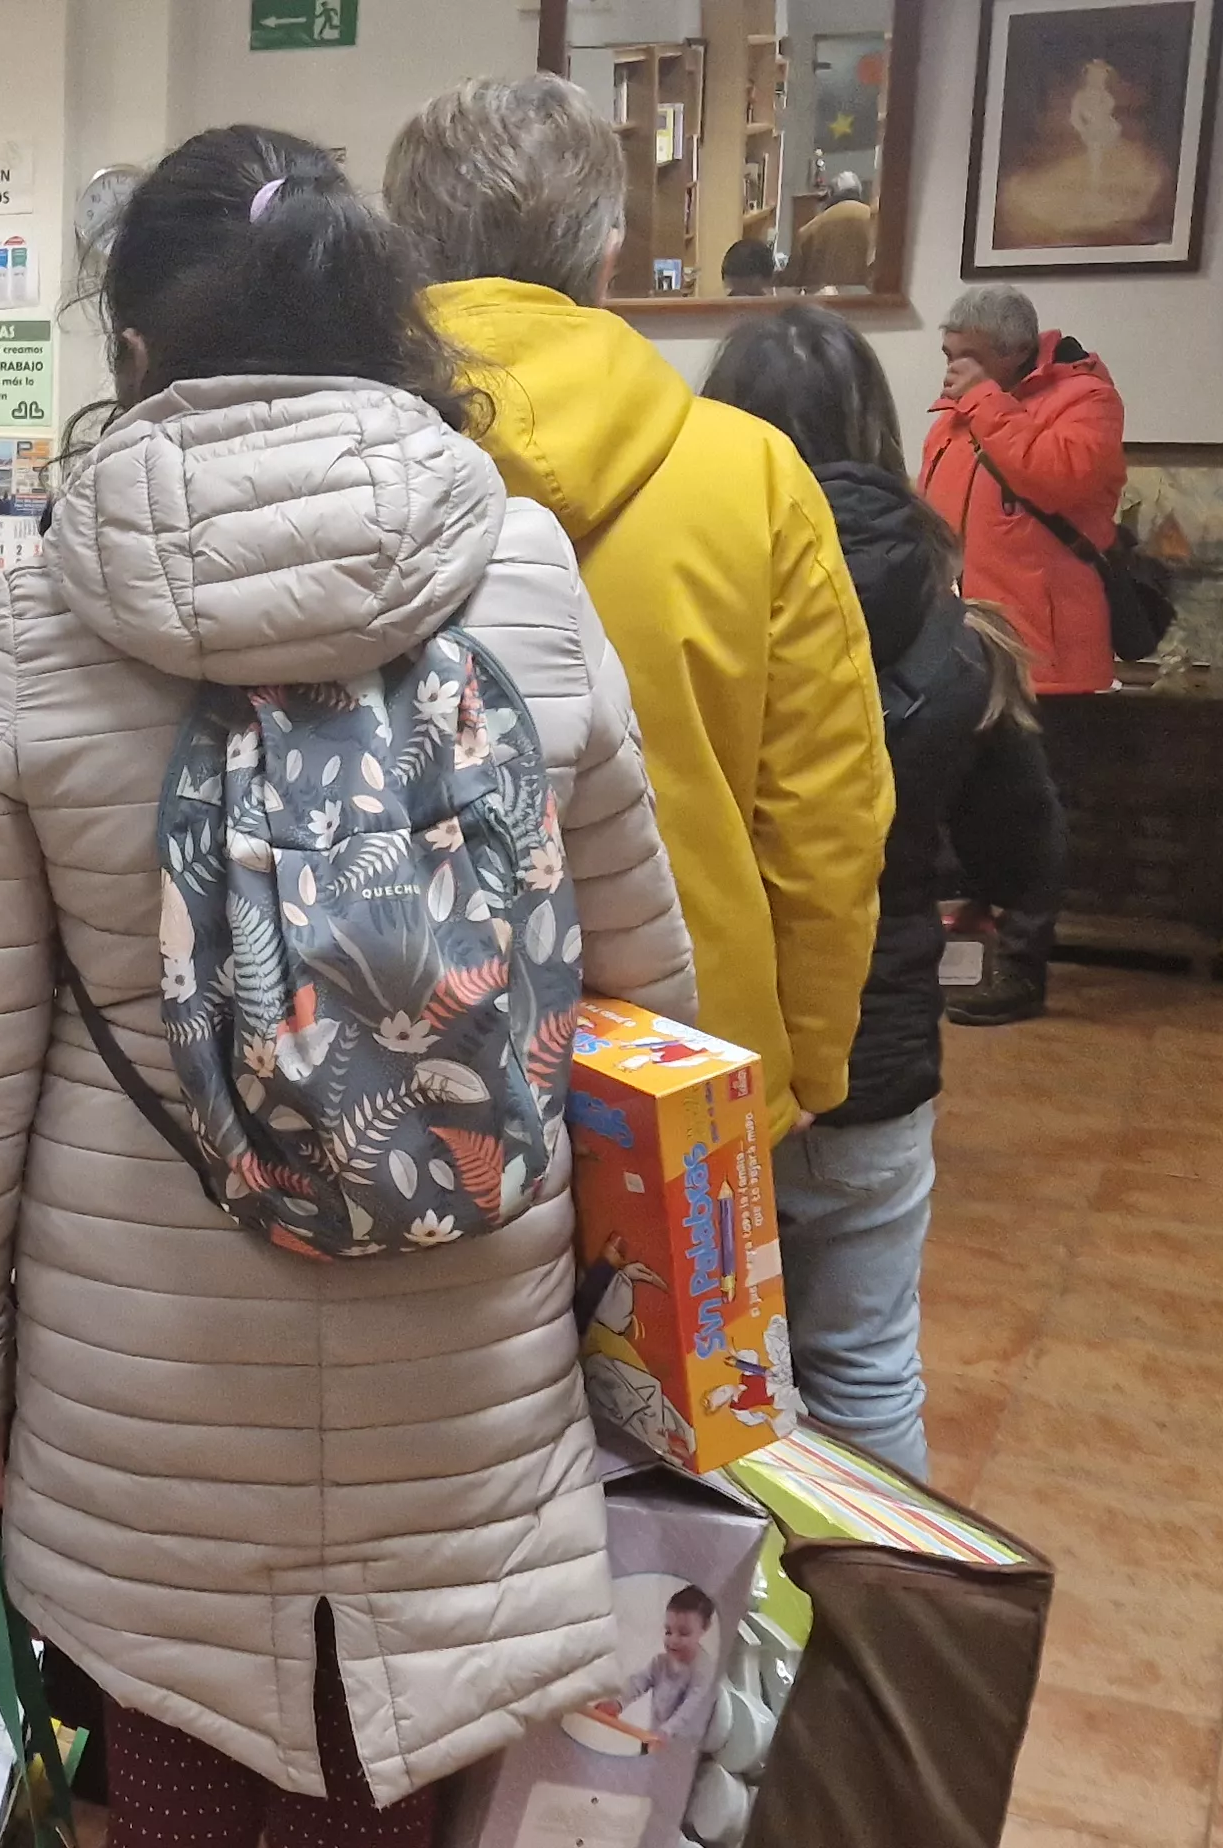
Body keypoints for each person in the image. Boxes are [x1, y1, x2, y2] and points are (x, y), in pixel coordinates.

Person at [0, 124, 696, 1846]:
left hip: (150, 1374)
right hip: (468, 1352)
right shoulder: (529, 579)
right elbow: (644, 1000)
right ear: (391, 332)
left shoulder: (34, 622)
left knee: (173, 1770)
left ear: (136, 354)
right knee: (395, 1797)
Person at [385, 72, 893, 1142]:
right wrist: (801, 1066)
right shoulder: (752, 477)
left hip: (382, 1076)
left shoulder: (319, 467)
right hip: (689, 1067)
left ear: (399, 250)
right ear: (608, 250)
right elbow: (823, 818)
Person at [701, 304, 1066, 1470]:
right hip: (875, 1039)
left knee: (692, 1377)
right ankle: (871, 1629)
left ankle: (714, 1629)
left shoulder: (671, 606)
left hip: (692, 1052)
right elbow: (1025, 854)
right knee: (861, 1364)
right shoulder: (964, 637)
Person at [918, 282, 1125, 701]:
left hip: (1044, 658)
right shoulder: (955, 416)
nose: (954, 369)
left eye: (969, 358)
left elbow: (1058, 479)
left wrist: (982, 400)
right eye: (949, 355)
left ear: (1014, 351)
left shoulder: (1087, 399)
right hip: (964, 650)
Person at [598, 1586, 721, 1742]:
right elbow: (638, 1682)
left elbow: (690, 1708)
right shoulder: (660, 1662)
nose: (673, 1640)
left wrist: (666, 1731)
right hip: (653, 1737)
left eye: (683, 1633)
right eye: (668, 1631)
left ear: (705, 1628)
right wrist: (618, 1702)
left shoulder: (703, 1670)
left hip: (683, 1745)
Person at [789, 170, 876, 290]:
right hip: (867, 302)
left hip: (823, 303)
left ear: (830, 193)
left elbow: (793, 279)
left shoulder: (812, 227)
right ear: (858, 192)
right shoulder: (875, 222)